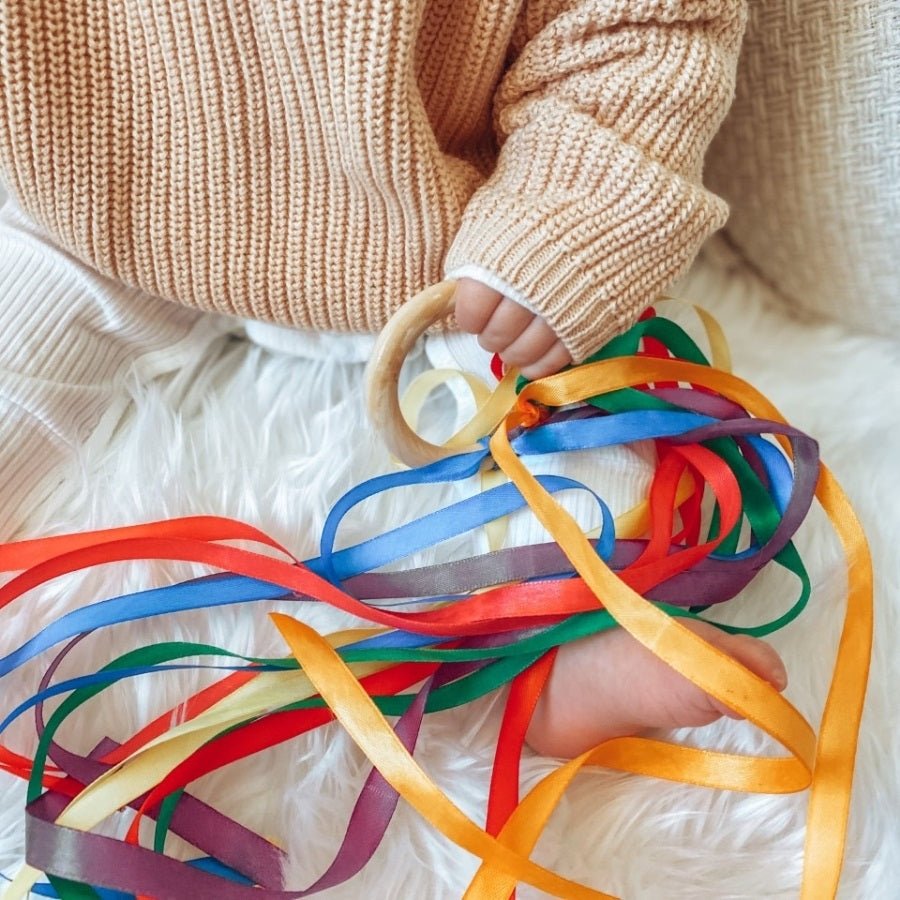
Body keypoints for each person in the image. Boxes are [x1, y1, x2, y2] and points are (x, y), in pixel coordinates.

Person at [0, 0, 783, 758]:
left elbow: (642, 33)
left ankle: (568, 640)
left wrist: (562, 220)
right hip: (101, 212)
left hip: (455, 245)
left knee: (584, 383)